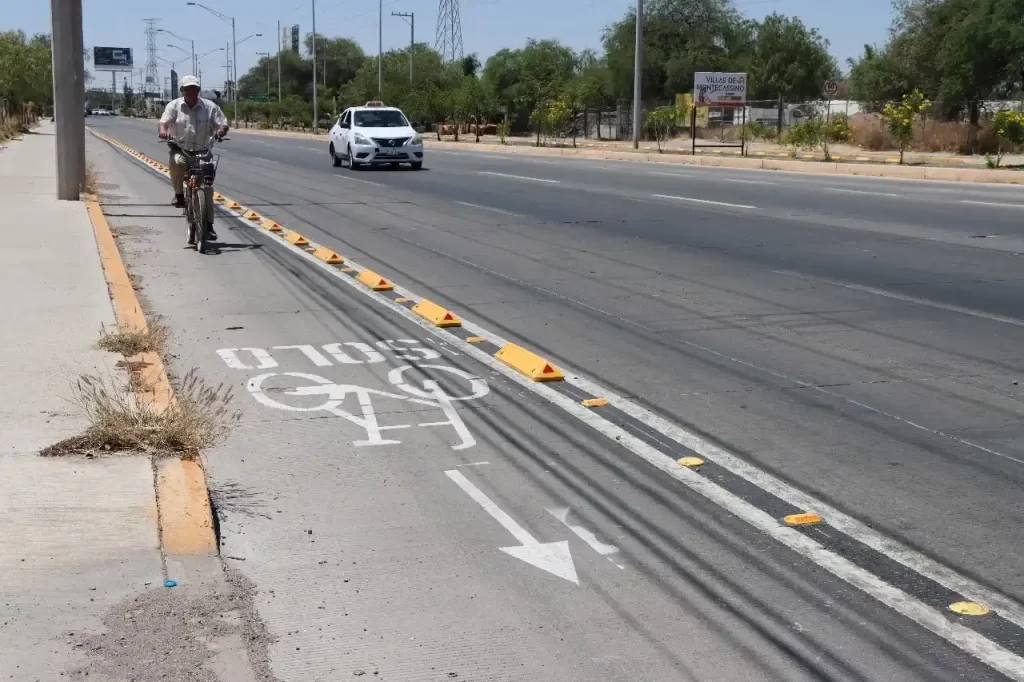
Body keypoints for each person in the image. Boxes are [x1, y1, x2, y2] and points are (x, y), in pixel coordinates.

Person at [158, 75, 229, 239]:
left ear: (198, 90)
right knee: (176, 162)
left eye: (195, 88)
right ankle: (179, 196)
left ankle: (208, 225)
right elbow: (164, 122)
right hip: (180, 148)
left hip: (203, 151)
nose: (192, 91)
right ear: (182, 90)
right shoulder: (174, 106)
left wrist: (220, 131)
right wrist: (163, 131)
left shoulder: (209, 107)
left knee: (207, 188)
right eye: (188, 88)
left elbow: (223, 123)